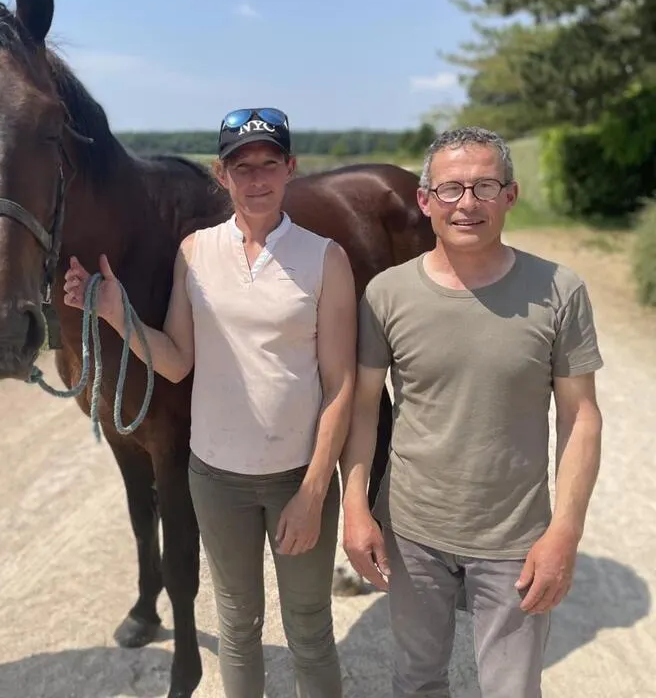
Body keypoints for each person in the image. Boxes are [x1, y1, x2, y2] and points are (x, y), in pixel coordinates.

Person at [63, 107, 355, 697]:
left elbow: (340, 384)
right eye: (241, 167)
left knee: (308, 627)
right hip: (217, 479)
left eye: (269, 164)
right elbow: (176, 361)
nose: (256, 179)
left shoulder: (325, 258)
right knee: (238, 627)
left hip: (296, 477)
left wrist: (314, 490)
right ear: (222, 176)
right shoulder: (194, 253)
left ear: (291, 168)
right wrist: (117, 314)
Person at [339, 126, 604, 697]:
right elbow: (363, 410)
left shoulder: (560, 291)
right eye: (451, 188)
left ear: (510, 195)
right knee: (416, 681)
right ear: (424, 200)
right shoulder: (385, 294)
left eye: (485, 186)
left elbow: (581, 416)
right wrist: (355, 506)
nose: (467, 203)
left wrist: (565, 530)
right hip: (411, 529)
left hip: (515, 536)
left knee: (512, 689)